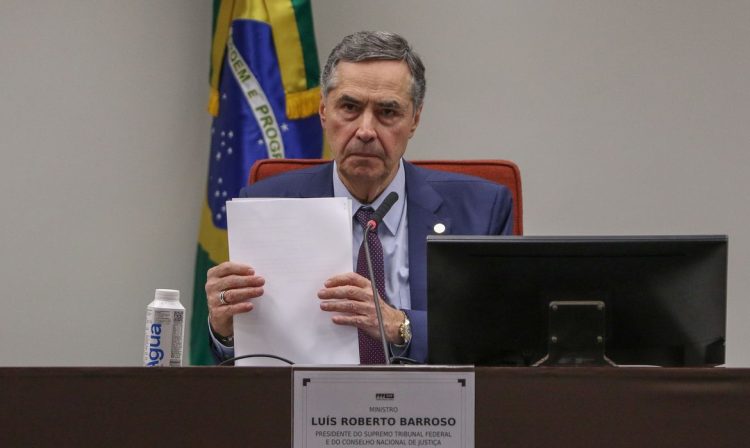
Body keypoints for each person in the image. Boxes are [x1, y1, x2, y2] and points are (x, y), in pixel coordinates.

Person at [205, 31, 514, 364]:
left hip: (434, 408)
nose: (366, 130)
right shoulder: (266, 204)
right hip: (309, 406)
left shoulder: (481, 210)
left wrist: (400, 325)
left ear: (415, 120)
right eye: (349, 108)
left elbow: (500, 338)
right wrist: (224, 328)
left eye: (387, 112)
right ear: (324, 111)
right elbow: (249, 359)